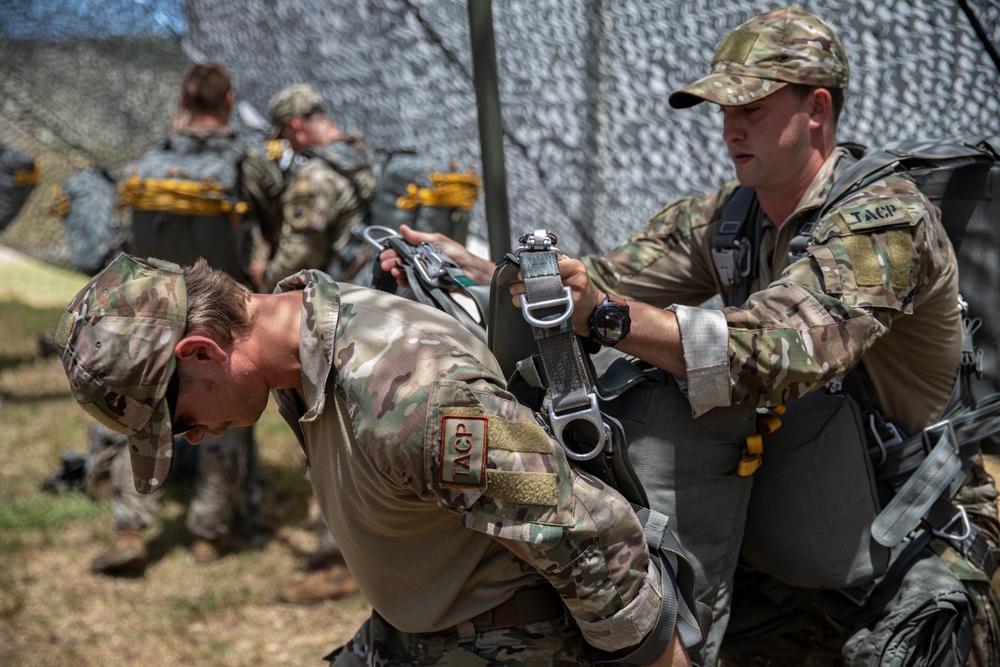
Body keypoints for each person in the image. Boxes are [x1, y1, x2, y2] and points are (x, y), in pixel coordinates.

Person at [380, 7, 998, 666]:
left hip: (911, 548)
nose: (730, 127)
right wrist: (482, 272)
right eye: (722, 110)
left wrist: (611, 316)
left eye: (751, 108)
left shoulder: (886, 224)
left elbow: (784, 349)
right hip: (798, 539)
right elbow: (602, 278)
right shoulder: (731, 218)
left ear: (817, 110)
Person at [54, 252, 693, 666]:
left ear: (200, 352)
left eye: (181, 418)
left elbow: (586, 526)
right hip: (408, 629)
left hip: (502, 641)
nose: (192, 436)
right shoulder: (295, 344)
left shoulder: (411, 396)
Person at [90, 62, 285, 575]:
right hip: (218, 308)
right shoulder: (245, 162)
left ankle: (132, 525)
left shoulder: (148, 162)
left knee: (146, 405)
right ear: (228, 101)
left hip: (151, 307)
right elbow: (275, 221)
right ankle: (209, 530)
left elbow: (119, 229)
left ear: (182, 99)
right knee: (222, 409)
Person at [249, 83, 377, 293]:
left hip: (346, 297)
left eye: (284, 136)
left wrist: (265, 276)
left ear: (296, 126)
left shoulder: (314, 176)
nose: (287, 144)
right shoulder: (362, 156)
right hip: (376, 283)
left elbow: (301, 255)